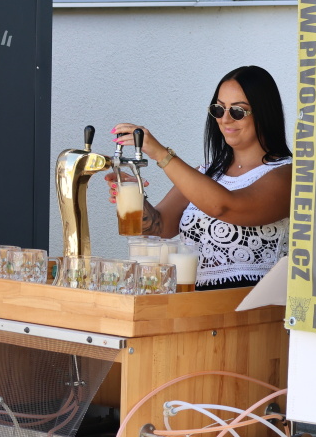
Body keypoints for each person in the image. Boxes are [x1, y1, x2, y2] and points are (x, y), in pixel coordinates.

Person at [109, 64, 293, 289]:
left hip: (253, 304)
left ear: (264, 113)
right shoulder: (206, 173)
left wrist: (161, 154)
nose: (225, 119)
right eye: (219, 109)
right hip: (197, 301)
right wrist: (134, 198)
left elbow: (224, 206)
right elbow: (160, 228)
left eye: (237, 111)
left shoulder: (287, 174)